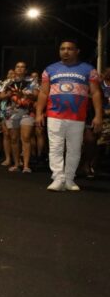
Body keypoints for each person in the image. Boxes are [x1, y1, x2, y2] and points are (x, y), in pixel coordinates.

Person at [35, 40, 102, 191]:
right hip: (54, 114)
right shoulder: (50, 69)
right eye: (62, 49)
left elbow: (96, 92)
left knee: (74, 148)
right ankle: (58, 178)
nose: (65, 51)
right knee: (55, 147)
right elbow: (44, 92)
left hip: (77, 116)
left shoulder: (88, 69)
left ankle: (70, 179)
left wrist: (98, 115)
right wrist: (39, 113)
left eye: (69, 49)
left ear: (77, 51)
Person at [0, 62, 39, 173]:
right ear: (14, 69)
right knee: (14, 139)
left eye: (22, 67)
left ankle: (26, 166)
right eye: (17, 67)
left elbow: (36, 95)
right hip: (12, 113)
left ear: (25, 70)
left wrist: (26, 95)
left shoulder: (31, 81)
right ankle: (16, 164)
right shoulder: (8, 82)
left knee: (25, 137)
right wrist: (8, 94)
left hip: (27, 112)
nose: (20, 69)